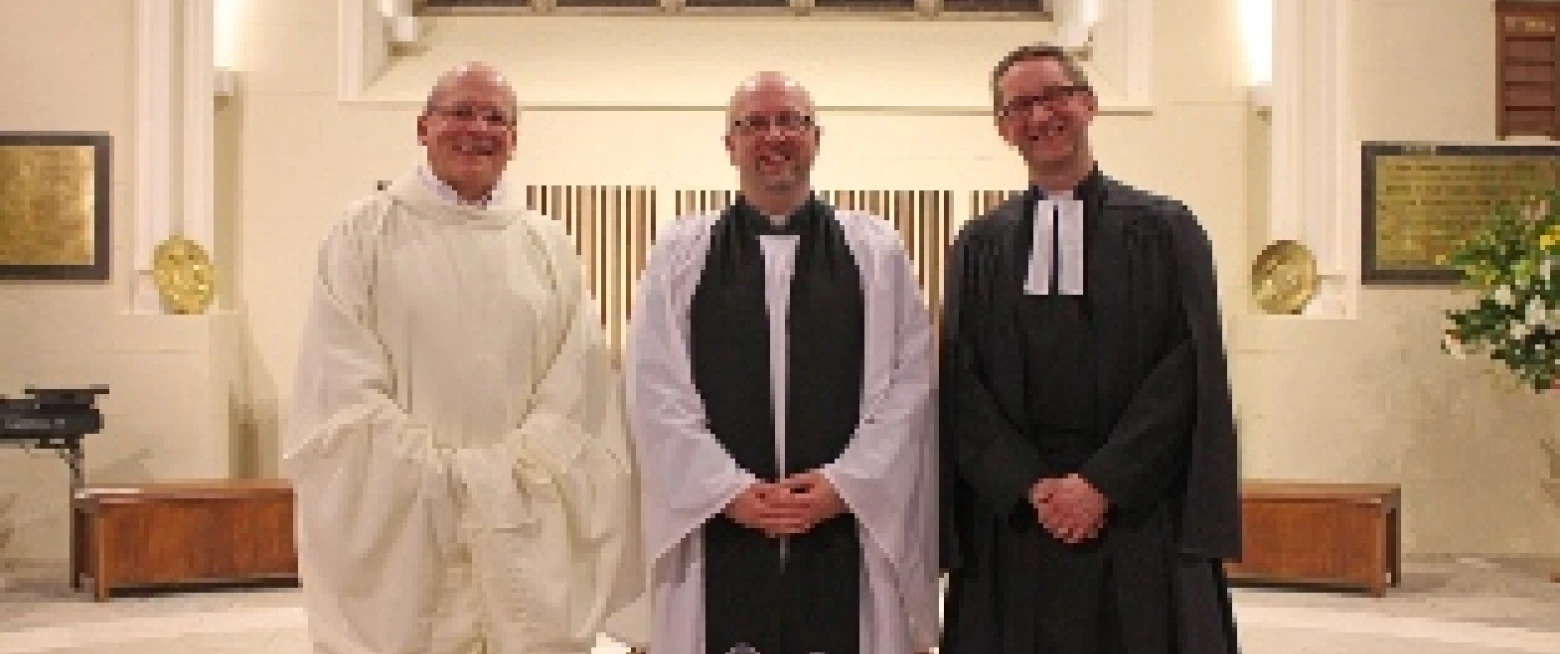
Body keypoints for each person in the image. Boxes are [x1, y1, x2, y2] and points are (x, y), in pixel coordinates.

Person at [283, 62, 644, 654]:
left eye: (495, 117)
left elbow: (576, 386)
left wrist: (503, 477)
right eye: (459, 112)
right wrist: (435, 476)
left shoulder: (548, 247)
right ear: (422, 127)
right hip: (402, 516)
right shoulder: (361, 234)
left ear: (515, 140)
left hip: (521, 513)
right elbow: (340, 381)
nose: (476, 128)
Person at [939, 43, 1242, 654]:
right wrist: (1031, 488)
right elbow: (960, 381)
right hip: (1019, 522)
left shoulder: (1164, 229)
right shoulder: (980, 246)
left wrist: (1101, 484)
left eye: (1055, 97)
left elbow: (1187, 368)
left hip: (1137, 513)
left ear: (1088, 104)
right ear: (1003, 129)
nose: (1041, 116)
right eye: (1020, 105)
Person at [625, 72, 940, 654]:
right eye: (755, 124)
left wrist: (846, 485)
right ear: (730, 144)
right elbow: (654, 387)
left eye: (790, 121)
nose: (774, 136)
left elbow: (911, 385)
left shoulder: (876, 252)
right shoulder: (680, 254)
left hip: (846, 526)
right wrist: (725, 491)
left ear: (816, 138)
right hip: (718, 534)